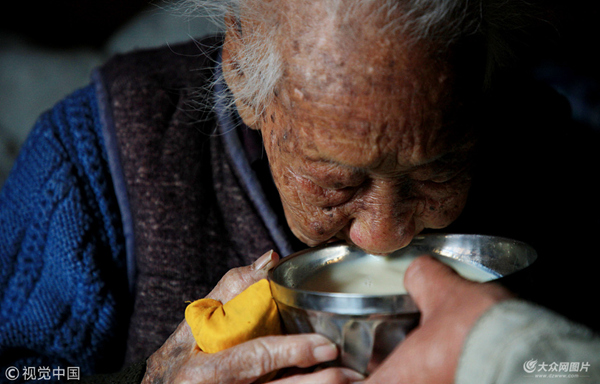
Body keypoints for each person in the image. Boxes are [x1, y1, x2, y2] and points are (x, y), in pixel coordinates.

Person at [0, 0, 598, 383]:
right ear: (241, 73)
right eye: (339, 182)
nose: (386, 237)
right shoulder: (97, 155)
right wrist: (147, 382)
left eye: (436, 172)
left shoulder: (544, 152)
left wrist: (527, 362)